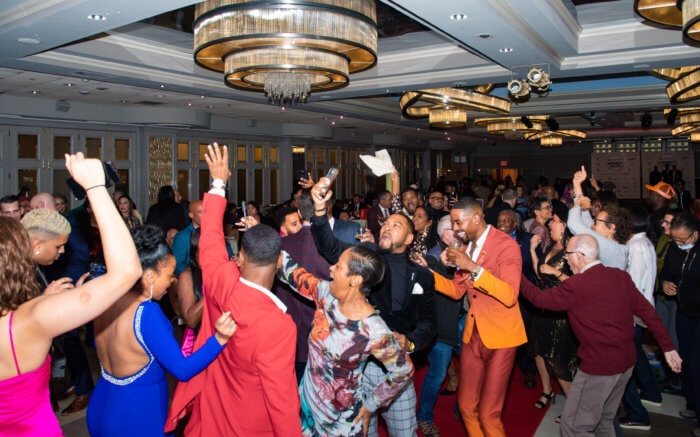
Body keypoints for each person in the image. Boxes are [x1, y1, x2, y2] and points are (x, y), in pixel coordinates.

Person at [0, 152, 142, 436]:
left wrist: (43, 301)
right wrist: (95, 188)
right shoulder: (32, 321)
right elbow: (127, 272)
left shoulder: (33, 313)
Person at [167, 144, 301, 436]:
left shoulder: (220, 279)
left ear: (239, 256)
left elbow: (212, 238)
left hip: (209, 418)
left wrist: (218, 182)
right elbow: (282, 402)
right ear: (280, 261)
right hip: (249, 426)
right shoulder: (278, 325)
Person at [310, 174, 437, 437]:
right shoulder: (368, 259)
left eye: (396, 225)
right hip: (360, 366)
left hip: (394, 370)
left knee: (404, 432)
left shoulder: (422, 275)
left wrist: (410, 342)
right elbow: (329, 246)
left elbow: (428, 322)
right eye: (386, 223)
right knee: (362, 431)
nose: (387, 228)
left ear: (410, 237)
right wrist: (320, 210)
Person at [519, 234, 682, 436]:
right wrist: (668, 347)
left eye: (568, 255)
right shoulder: (619, 276)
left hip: (599, 368)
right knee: (604, 421)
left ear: (579, 256)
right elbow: (648, 312)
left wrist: (516, 275)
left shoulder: (577, 285)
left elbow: (539, 299)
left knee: (574, 426)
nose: (566, 259)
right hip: (626, 363)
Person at [86, 225, 235, 437]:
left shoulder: (106, 300)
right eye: (169, 274)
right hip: (136, 416)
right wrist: (219, 339)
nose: (172, 280)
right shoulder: (147, 312)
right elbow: (182, 370)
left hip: (101, 406)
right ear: (149, 277)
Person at [278, 246, 414, 436]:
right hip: (307, 412)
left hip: (341, 424)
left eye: (339, 266)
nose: (331, 268)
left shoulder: (374, 330)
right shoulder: (327, 295)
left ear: (355, 280)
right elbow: (293, 274)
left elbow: (403, 370)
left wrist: (371, 404)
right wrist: (264, 240)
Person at [437, 197, 526, 437]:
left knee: (489, 414)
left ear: (476, 218)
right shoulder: (467, 248)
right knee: (466, 406)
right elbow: (457, 291)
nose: (455, 229)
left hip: (502, 336)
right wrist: (427, 272)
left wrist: (473, 267)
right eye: (453, 223)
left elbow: (509, 295)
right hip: (473, 333)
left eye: (458, 222)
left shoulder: (506, 245)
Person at [273, 189, 332, 384]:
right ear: (324, 210)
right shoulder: (333, 248)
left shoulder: (280, 246)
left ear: (299, 213)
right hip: (324, 334)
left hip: (289, 333)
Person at [414, 215, 466, 437]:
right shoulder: (433, 257)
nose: (461, 233)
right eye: (456, 229)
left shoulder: (465, 254)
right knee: (436, 376)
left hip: (464, 321)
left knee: (471, 373)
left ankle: (461, 409)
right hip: (443, 326)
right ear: (445, 233)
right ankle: (424, 417)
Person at [528, 214, 577, 414]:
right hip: (542, 306)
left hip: (560, 310)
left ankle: (575, 411)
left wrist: (556, 273)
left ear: (564, 225)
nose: (549, 224)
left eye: (553, 221)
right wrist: (532, 250)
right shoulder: (550, 247)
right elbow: (539, 273)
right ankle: (547, 391)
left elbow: (579, 284)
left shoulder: (573, 250)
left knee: (558, 359)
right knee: (539, 351)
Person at [660, 212, 700, 434]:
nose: (678, 243)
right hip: (684, 313)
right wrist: (666, 282)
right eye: (675, 239)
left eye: (683, 240)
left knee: (696, 362)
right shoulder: (676, 248)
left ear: (696, 234)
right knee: (684, 358)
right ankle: (692, 404)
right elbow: (668, 272)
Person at [497, 209, 539, 388]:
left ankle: (528, 370)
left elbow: (532, 266)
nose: (502, 224)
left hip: (522, 295)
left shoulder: (527, 240)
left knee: (523, 335)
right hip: (499, 294)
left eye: (506, 221)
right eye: (499, 221)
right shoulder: (493, 240)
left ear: (515, 224)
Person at [568, 166, 630, 270]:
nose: (592, 225)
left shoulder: (613, 249)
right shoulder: (613, 245)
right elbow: (586, 221)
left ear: (611, 228)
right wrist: (577, 186)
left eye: (597, 222)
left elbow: (574, 225)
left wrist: (578, 204)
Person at [177, 228, 205, 357]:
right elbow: (191, 320)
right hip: (197, 346)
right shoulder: (187, 276)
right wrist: (215, 285)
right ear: (195, 251)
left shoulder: (223, 273)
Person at [171, 200, 203, 276]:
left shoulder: (215, 233)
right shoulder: (183, 236)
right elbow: (177, 265)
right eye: (201, 212)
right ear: (191, 215)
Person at [645, 181, 676, 245]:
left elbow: (663, 243)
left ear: (660, 197)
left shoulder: (662, 218)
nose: (647, 196)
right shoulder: (655, 214)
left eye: (651, 193)